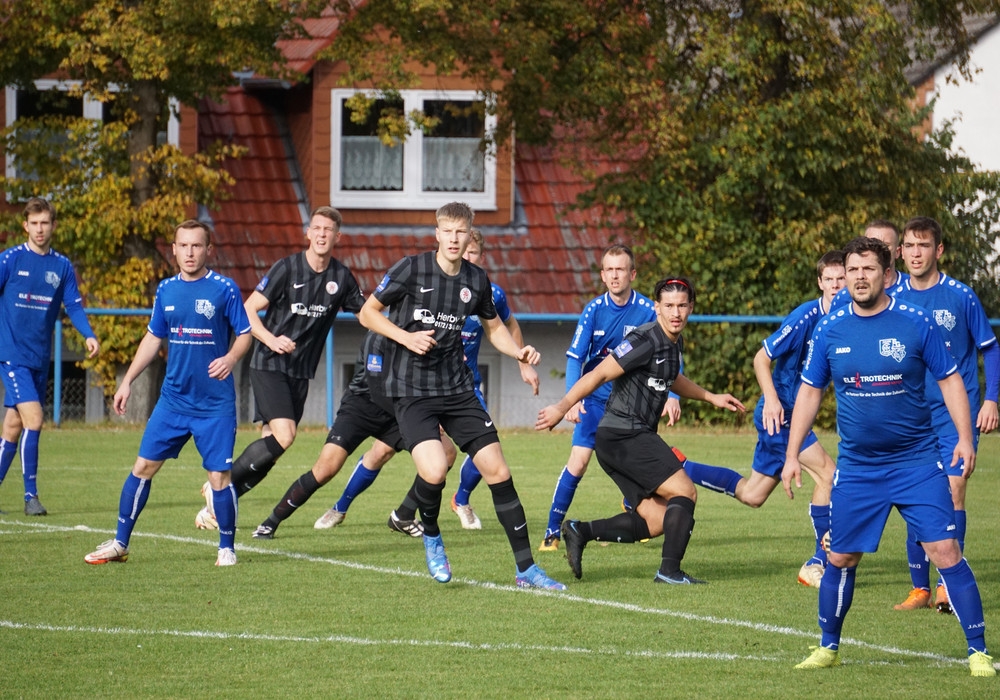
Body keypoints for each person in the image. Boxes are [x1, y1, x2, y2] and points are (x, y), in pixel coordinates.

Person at [782, 236, 994, 677]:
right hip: (859, 468)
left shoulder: (915, 321)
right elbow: (810, 392)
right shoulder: (830, 327)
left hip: (917, 463)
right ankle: (828, 647)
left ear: (886, 274)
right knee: (840, 558)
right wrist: (791, 454)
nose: (859, 277)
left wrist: (964, 437)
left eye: (868, 269)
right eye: (852, 270)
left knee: (946, 551)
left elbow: (951, 379)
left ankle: (978, 652)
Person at [358, 201, 565, 590]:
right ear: (437, 234)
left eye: (461, 232)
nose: (454, 239)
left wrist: (517, 352)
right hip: (412, 390)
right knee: (435, 471)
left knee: (498, 471)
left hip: (457, 389)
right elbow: (367, 313)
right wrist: (406, 337)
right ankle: (432, 536)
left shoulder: (476, 279)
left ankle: (526, 569)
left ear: (470, 235)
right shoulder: (411, 269)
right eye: (448, 231)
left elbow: (495, 328)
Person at [312, 228, 538, 532]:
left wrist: (522, 362)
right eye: (462, 249)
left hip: (463, 387)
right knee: (382, 451)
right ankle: (341, 506)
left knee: (483, 453)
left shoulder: (485, 290)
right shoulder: (427, 281)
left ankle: (454, 502)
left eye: (472, 252)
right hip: (420, 384)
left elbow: (507, 325)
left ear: (480, 256)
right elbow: (373, 316)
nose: (465, 255)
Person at [536, 277, 746, 584]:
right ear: (657, 307)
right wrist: (562, 405)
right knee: (685, 490)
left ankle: (581, 531)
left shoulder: (674, 342)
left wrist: (710, 397)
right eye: (669, 306)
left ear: (691, 307)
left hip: (624, 439)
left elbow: (673, 378)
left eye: (682, 306)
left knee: (656, 520)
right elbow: (599, 374)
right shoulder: (644, 339)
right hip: (624, 434)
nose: (676, 313)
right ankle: (669, 572)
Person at [84, 220, 252, 567]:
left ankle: (227, 548)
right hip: (173, 400)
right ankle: (120, 543)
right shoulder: (165, 290)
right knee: (142, 467)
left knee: (219, 478)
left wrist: (231, 357)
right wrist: (128, 380)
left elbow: (245, 333)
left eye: (197, 246)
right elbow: (152, 338)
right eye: (183, 246)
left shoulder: (225, 289)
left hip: (214, 404)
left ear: (208, 250)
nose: (190, 253)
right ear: (174, 250)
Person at [678, 251, 844, 588]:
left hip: (796, 416)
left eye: (842, 279)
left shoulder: (850, 318)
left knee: (752, 495)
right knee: (829, 475)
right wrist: (771, 399)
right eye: (830, 279)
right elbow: (760, 358)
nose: (836, 285)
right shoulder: (805, 317)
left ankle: (678, 466)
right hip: (780, 416)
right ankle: (818, 563)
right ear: (820, 282)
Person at [194, 206, 364, 530]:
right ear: (308, 233)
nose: (322, 234)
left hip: (300, 372)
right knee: (286, 436)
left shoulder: (341, 277)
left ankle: (216, 507)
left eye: (328, 230)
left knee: (271, 448)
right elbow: (248, 309)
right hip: (269, 364)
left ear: (337, 236)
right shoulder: (287, 268)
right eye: (317, 228)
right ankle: (218, 486)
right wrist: (271, 340)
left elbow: (366, 313)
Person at [890, 216, 999, 613]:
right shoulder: (893, 299)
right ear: (900, 252)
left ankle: (945, 585)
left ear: (938, 250)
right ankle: (919, 588)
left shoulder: (961, 296)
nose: (915, 253)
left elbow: (990, 347)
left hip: (956, 414)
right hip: (912, 417)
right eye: (909, 246)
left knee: (953, 491)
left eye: (923, 245)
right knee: (916, 494)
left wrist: (992, 399)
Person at [538, 244, 673, 551]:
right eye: (609, 270)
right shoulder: (594, 310)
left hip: (632, 405)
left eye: (620, 269)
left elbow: (667, 353)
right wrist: (573, 400)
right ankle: (552, 530)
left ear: (632, 274)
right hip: (596, 402)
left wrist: (673, 394)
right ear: (602, 275)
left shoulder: (647, 311)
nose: (615, 275)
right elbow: (575, 358)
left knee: (637, 465)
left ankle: (634, 515)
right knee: (579, 462)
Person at [249, 331, 425, 539]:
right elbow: (377, 387)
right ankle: (270, 523)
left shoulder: (426, 336)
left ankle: (404, 515)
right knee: (325, 470)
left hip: (397, 411)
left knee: (444, 453)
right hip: (361, 407)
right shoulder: (380, 335)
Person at [0, 197, 100, 516]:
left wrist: (88, 334)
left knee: (13, 426)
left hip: (39, 358)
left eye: (45, 223)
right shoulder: (10, 260)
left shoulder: (62, 266)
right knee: (35, 419)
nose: (40, 229)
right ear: (25, 226)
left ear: (53, 226)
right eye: (34, 223)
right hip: (12, 355)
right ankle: (31, 496)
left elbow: (74, 306)